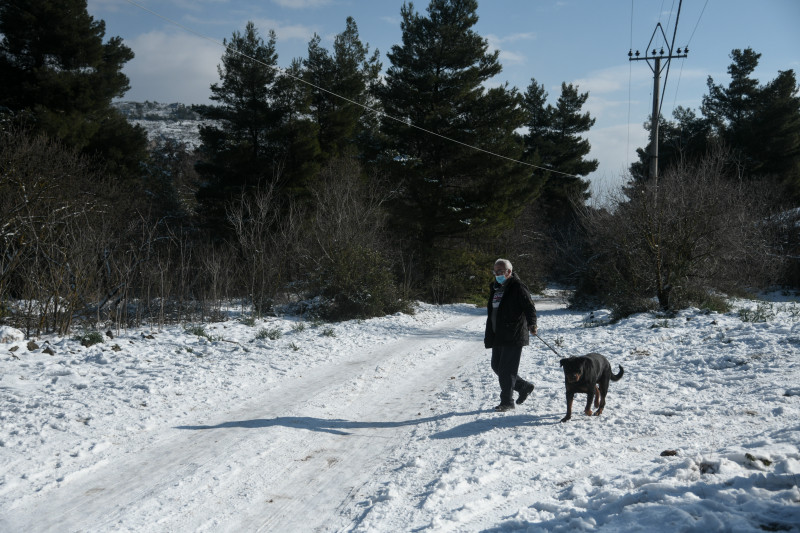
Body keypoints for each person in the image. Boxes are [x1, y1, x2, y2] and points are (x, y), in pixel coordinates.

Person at [483, 258, 537, 412]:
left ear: (509, 272)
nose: (497, 274)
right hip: (498, 334)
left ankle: (507, 402)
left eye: (500, 271)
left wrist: (532, 324)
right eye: (495, 271)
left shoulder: (517, 287)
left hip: (513, 333)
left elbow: (529, 307)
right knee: (496, 366)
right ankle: (523, 386)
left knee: (507, 370)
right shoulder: (495, 287)